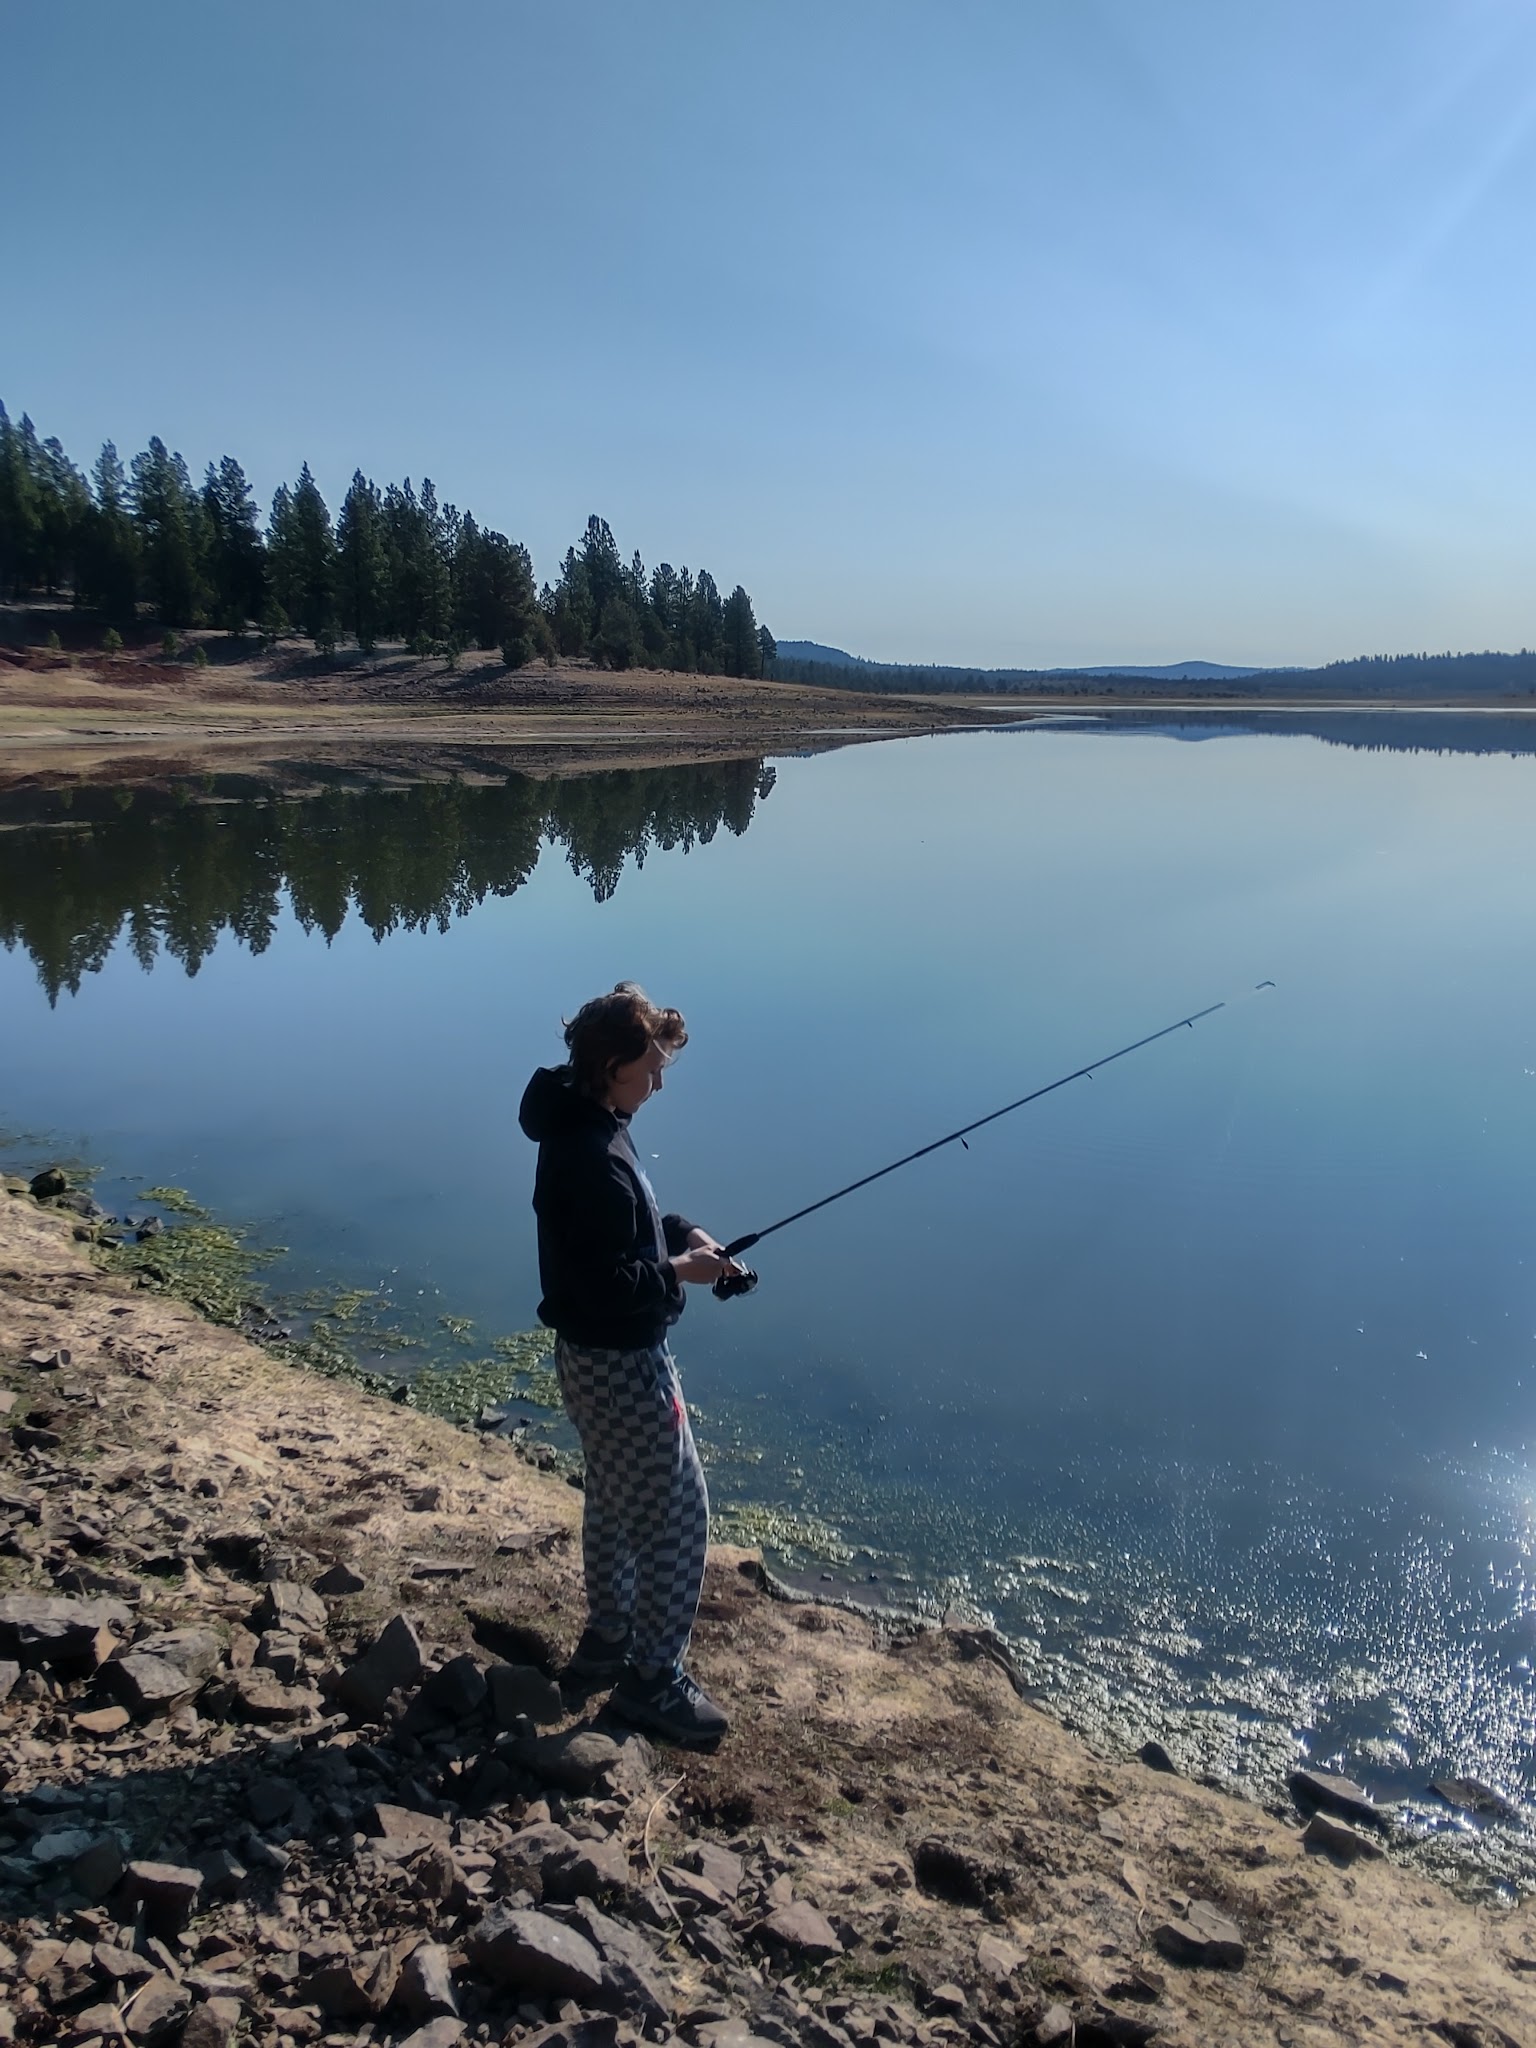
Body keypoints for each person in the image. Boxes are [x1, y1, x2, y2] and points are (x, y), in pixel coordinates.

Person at [518, 982, 741, 1745]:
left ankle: (609, 1640)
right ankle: (652, 1680)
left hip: (587, 1362)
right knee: (682, 1517)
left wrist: (689, 1236)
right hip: (623, 1365)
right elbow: (608, 1282)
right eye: (651, 1066)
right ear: (613, 1064)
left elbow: (627, 1228)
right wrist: (682, 1273)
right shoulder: (588, 1153)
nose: (660, 1080)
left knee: (612, 1501)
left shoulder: (590, 1121)